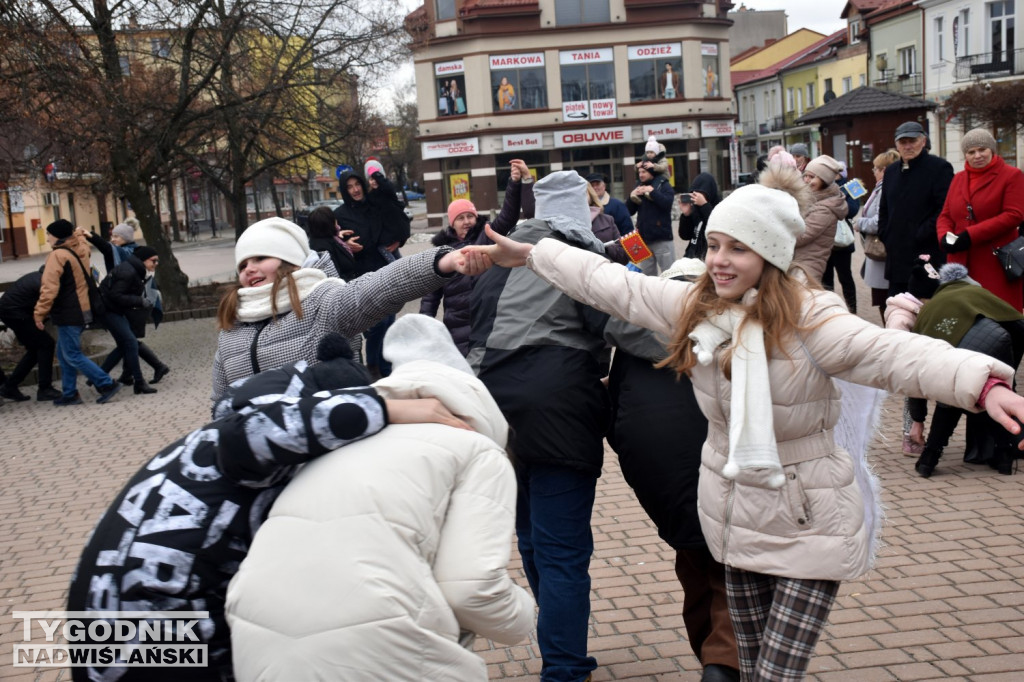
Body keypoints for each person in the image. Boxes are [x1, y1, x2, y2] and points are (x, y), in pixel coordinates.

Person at [466, 165, 1024, 680]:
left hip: (807, 519)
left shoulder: (812, 318)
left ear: (772, 254)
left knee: (773, 675)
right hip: (733, 521)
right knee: (747, 664)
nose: (719, 260)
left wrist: (984, 382)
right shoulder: (698, 310)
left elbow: (891, 354)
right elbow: (614, 285)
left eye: (739, 248)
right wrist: (534, 255)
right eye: (713, 245)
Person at [67, 333, 470, 682]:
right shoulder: (247, 439)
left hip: (103, 615)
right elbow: (248, 437)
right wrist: (380, 408)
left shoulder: (206, 441)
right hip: (154, 627)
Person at [226, 315, 535, 681]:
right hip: (375, 640)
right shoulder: (477, 451)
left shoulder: (345, 439)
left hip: (257, 636)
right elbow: (471, 589)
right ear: (477, 402)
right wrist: (525, 616)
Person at [468, 171, 615, 682]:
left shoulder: (499, 258)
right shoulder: (580, 256)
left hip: (496, 408)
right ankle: (565, 667)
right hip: (559, 407)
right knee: (564, 552)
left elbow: (472, 331)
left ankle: (560, 645)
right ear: (582, 209)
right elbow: (616, 325)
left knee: (531, 537)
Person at [603, 257, 739, 682]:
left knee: (696, 560)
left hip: (658, 479)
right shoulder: (735, 337)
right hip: (724, 475)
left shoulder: (628, 343)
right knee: (732, 573)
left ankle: (715, 661)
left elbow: (616, 414)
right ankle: (723, 665)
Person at [212, 217, 485, 404]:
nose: (249, 268)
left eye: (260, 257)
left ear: (291, 263)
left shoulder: (322, 303)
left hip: (326, 455)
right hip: (255, 464)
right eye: (243, 264)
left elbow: (379, 287)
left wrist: (444, 261)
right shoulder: (232, 327)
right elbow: (220, 401)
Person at [886, 260, 1024, 477]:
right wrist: (1009, 374)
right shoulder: (975, 291)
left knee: (948, 400)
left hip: (967, 350)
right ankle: (1004, 459)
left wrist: (917, 419)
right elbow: (1017, 323)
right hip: (1001, 341)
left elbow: (917, 376)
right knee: (997, 398)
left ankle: (928, 460)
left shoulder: (929, 311)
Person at [420, 159, 535, 355]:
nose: (466, 222)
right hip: (457, 325)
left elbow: (508, 215)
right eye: (460, 218)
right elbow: (430, 296)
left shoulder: (485, 235)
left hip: (489, 319)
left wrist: (515, 182)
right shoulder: (441, 251)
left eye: (469, 216)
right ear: (452, 223)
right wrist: (424, 328)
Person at [334, 167, 412, 378]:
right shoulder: (340, 215)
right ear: (344, 190)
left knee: (389, 320)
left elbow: (396, 215)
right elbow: (327, 240)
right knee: (378, 323)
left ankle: (386, 370)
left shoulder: (374, 203)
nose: (355, 190)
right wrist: (344, 242)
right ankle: (373, 368)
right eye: (349, 187)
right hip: (363, 274)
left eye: (357, 184)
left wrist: (399, 239)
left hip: (385, 267)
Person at [33, 219, 121, 405]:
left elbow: (49, 288)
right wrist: (80, 234)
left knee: (71, 354)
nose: (47, 238)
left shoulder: (57, 256)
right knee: (64, 352)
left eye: (49, 234)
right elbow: (81, 242)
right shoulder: (79, 249)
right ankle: (70, 392)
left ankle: (106, 384)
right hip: (83, 309)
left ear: (56, 236)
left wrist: (39, 313)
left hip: (68, 311)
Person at [937, 128, 1024, 310]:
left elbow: (1014, 214)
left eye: (982, 149)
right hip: (960, 261)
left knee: (999, 315)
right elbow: (945, 215)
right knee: (966, 317)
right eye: (971, 152)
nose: (977, 155)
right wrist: (944, 236)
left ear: (992, 150)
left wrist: (970, 235)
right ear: (965, 155)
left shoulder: (1012, 175)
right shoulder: (958, 179)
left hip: (995, 262)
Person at [78, 223, 169, 385]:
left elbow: (107, 248)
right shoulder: (133, 254)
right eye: (112, 236)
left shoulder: (129, 253)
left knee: (128, 341)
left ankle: (103, 376)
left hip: (127, 304)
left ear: (126, 239)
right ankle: (135, 373)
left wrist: (91, 236)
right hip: (127, 303)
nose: (113, 239)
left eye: (116, 236)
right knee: (128, 341)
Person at [878, 121, 954, 297]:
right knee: (897, 307)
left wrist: (920, 233)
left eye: (912, 141)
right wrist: (885, 232)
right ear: (896, 145)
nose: (908, 146)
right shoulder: (891, 172)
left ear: (923, 141)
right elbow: (884, 208)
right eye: (903, 142)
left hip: (927, 253)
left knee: (927, 307)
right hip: (897, 254)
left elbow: (944, 208)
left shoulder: (939, 168)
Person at [94, 245, 161, 395]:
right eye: (153, 261)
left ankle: (98, 376)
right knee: (130, 342)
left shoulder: (135, 269)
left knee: (126, 344)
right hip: (107, 310)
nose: (156, 264)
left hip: (112, 309)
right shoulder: (128, 271)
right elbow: (116, 295)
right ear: (143, 260)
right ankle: (138, 383)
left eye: (157, 261)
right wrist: (140, 301)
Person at [0, 267, 61, 402]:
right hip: (16, 314)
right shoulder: (43, 283)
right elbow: (49, 304)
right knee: (46, 344)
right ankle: (44, 389)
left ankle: (10, 386)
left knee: (36, 349)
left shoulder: (37, 277)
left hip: (12, 312)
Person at [856, 149, 901, 322]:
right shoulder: (881, 188)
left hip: (882, 252)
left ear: (884, 170)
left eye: (875, 168)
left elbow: (879, 221)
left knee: (886, 301)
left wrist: (859, 224)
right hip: (880, 254)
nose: (873, 171)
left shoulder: (884, 190)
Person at [796, 155, 848, 283]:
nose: (807, 180)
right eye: (806, 176)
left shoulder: (825, 208)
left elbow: (801, 237)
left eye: (812, 177)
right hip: (799, 263)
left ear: (824, 180)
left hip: (806, 268)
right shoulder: (811, 199)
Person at [630, 137, 676, 275]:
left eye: (644, 172)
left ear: (651, 172)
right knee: (647, 278)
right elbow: (630, 211)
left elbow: (666, 204)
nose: (641, 175)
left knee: (670, 275)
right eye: (639, 173)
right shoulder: (639, 185)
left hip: (662, 238)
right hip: (643, 240)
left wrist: (652, 192)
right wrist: (633, 196)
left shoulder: (664, 185)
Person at [821, 162, 861, 314]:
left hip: (843, 242)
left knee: (845, 277)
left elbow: (852, 210)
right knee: (826, 279)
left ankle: (852, 311)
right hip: (825, 241)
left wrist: (833, 204)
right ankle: (829, 312)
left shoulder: (851, 186)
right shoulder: (823, 185)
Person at [305, 205, 360, 281]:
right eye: (334, 219)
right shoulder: (322, 248)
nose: (337, 221)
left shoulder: (330, 238)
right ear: (329, 223)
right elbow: (336, 274)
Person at [678, 172, 721, 260]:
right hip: (691, 257)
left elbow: (717, 226)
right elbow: (685, 236)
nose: (697, 196)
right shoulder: (695, 209)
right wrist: (686, 215)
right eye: (695, 193)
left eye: (701, 193)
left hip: (708, 258)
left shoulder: (719, 207)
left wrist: (704, 205)